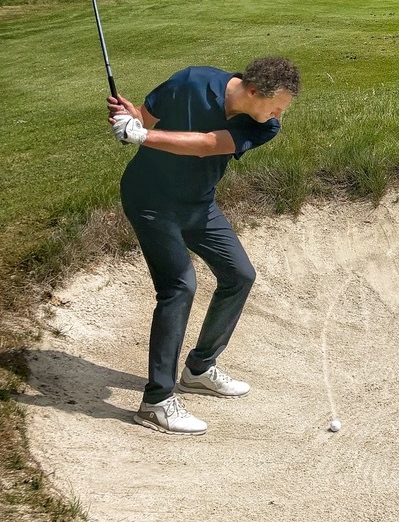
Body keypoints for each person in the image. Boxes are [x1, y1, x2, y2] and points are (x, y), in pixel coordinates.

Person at [107, 57, 301, 435]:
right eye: (277, 106)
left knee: (239, 275)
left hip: (199, 205)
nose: (279, 115)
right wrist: (129, 121)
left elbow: (207, 145)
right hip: (150, 200)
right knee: (180, 286)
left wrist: (142, 135)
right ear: (253, 91)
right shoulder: (191, 81)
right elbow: (144, 119)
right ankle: (156, 402)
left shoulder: (264, 125)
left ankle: (198, 369)